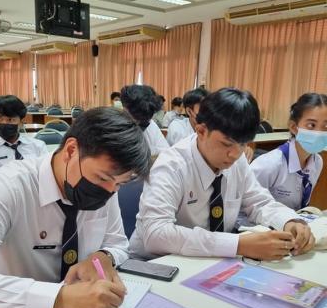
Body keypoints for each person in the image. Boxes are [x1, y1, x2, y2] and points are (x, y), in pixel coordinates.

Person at [0, 107, 151, 308]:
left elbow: (117, 243)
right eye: (103, 178)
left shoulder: (107, 188)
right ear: (71, 150)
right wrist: (59, 299)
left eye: (119, 184)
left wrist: (103, 257)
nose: (110, 191)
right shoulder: (9, 185)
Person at [129, 88, 314, 261]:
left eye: (243, 144)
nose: (235, 154)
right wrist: (238, 245)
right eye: (226, 144)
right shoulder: (171, 165)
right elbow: (156, 234)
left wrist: (288, 221)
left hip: (209, 260)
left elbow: (259, 202)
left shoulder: (237, 160)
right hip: (154, 263)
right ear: (201, 131)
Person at [250, 93, 327, 211]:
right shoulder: (269, 164)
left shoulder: (317, 162)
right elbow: (244, 210)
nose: (319, 132)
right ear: (294, 127)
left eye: (325, 126)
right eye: (311, 125)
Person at [0, 95, 48, 171]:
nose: (4, 123)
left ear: (21, 122)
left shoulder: (38, 146)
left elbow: (45, 172)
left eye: (10, 119)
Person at [120, 85, 169, 157]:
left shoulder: (150, 124)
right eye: (136, 118)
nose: (139, 123)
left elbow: (166, 153)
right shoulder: (114, 127)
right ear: (124, 108)